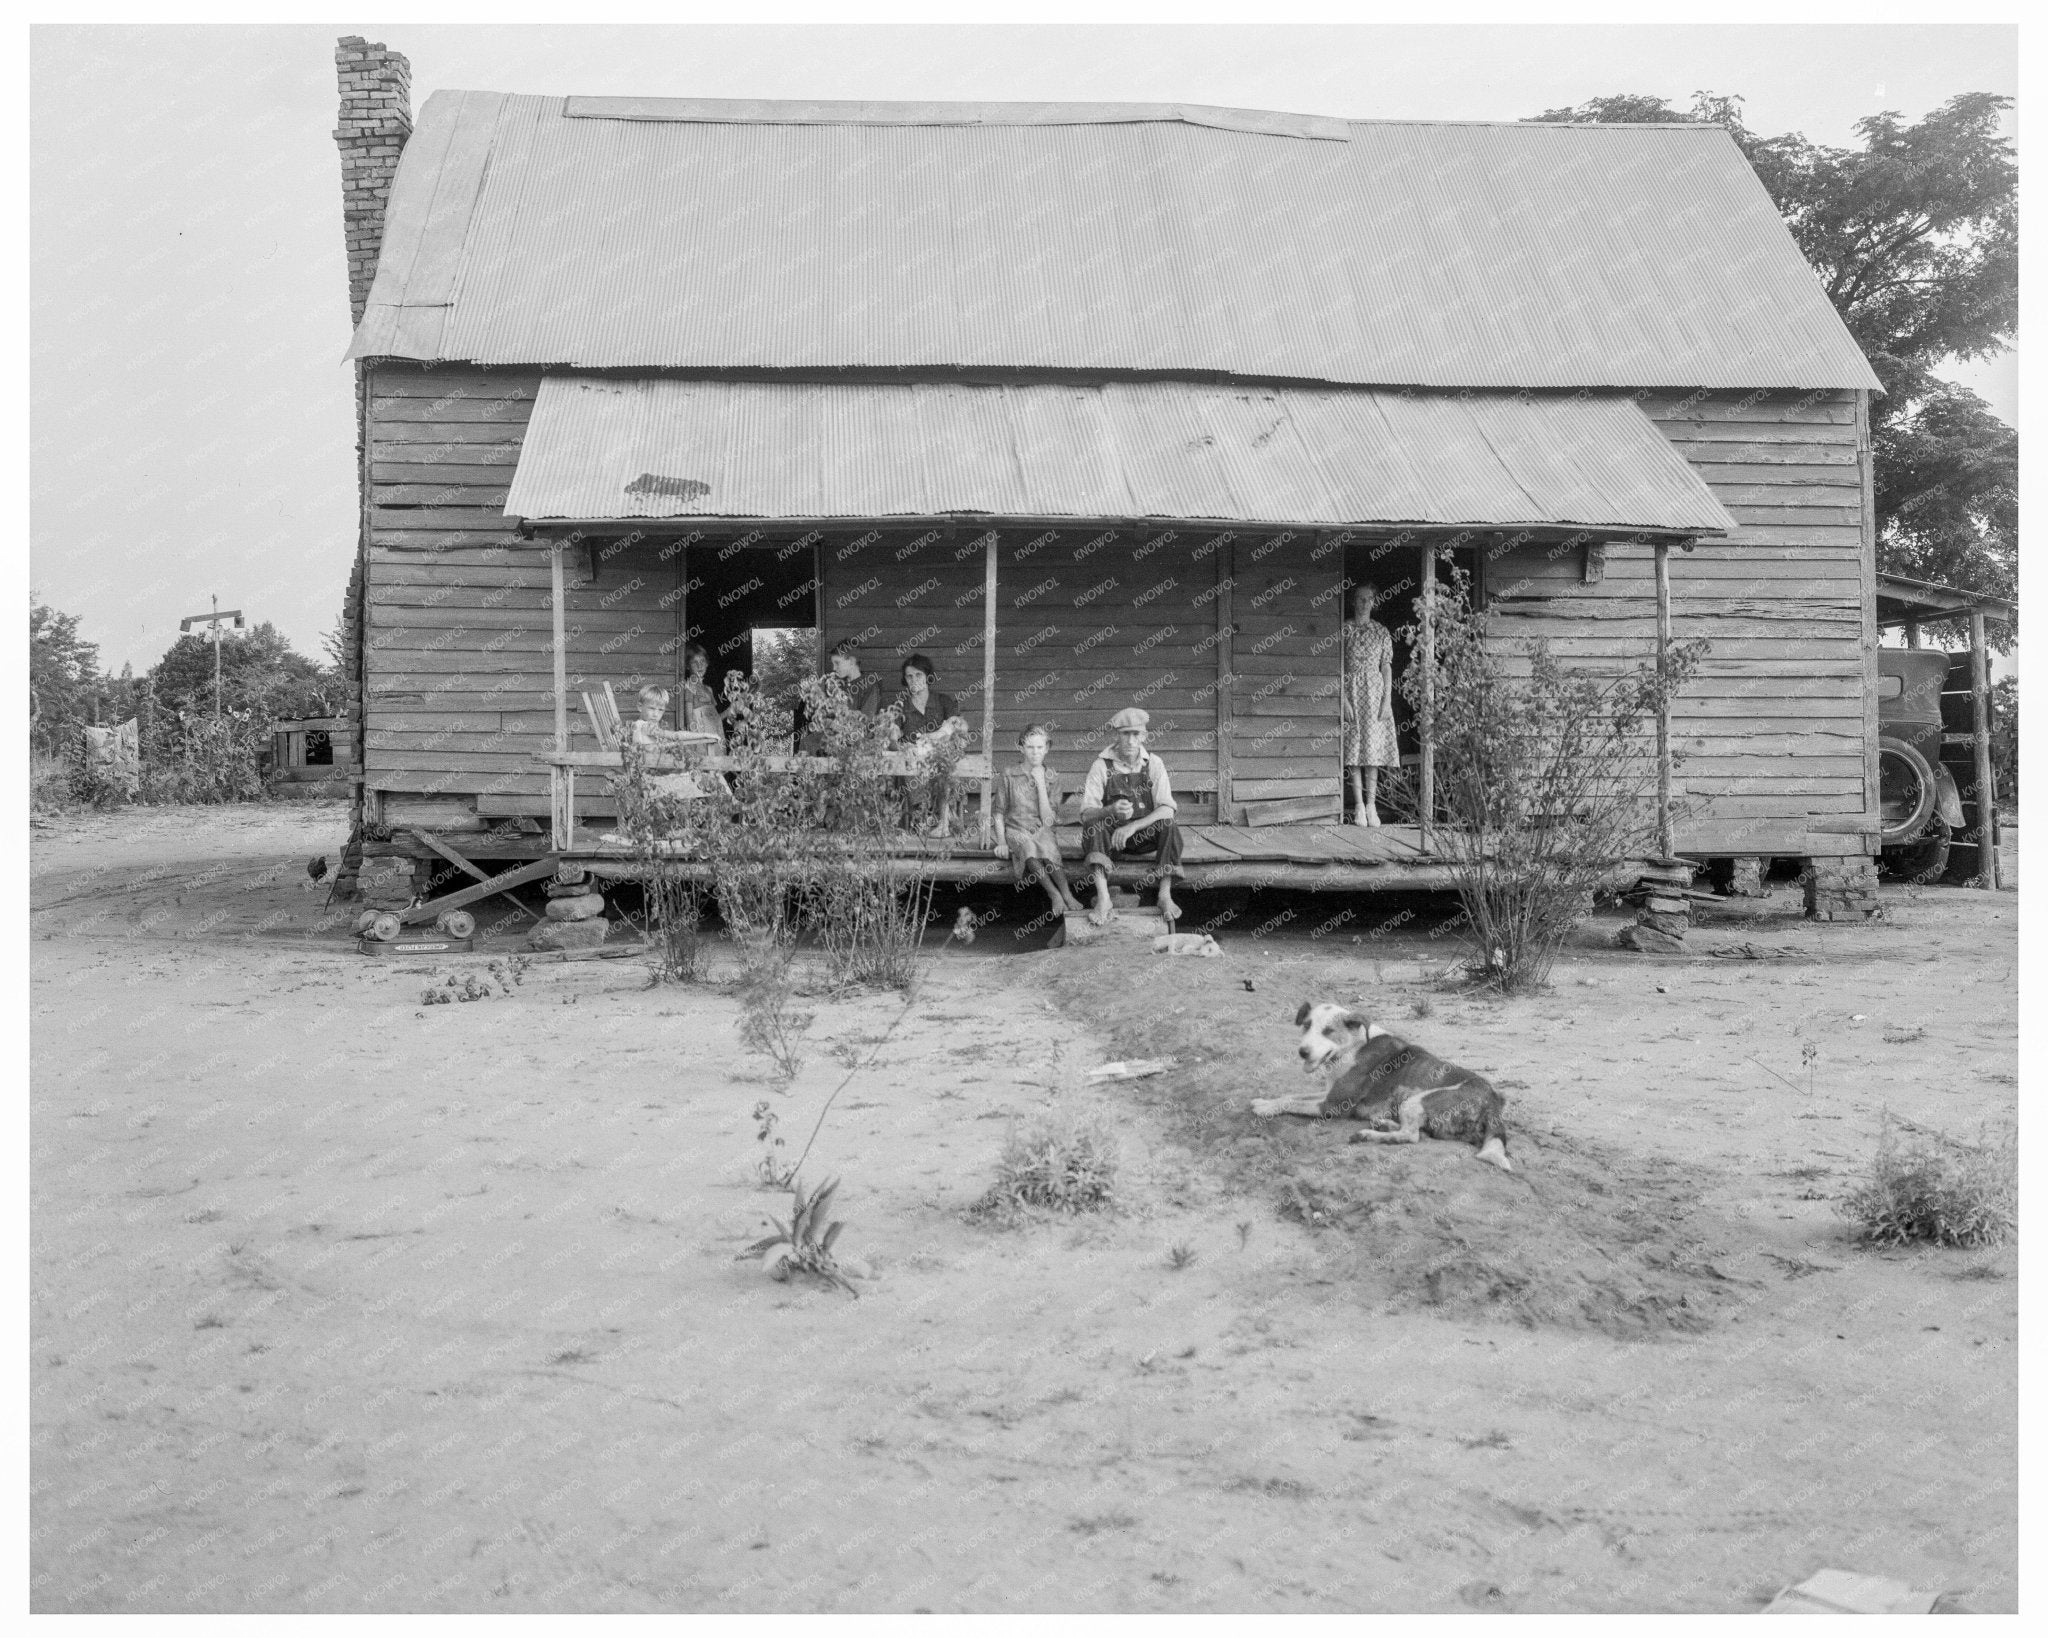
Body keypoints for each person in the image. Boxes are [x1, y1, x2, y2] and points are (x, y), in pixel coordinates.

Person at [1078, 706, 1186, 927]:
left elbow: (1167, 808)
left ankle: (1164, 895)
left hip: (1142, 836)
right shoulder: (1101, 765)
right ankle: (1104, 897)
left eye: (1135, 734)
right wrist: (1110, 811)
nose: (1130, 740)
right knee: (1093, 826)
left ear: (1144, 736)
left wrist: (1133, 826)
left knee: (1169, 826)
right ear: (1116, 736)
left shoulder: (1154, 764)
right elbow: (1086, 814)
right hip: (1111, 841)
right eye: (1125, 734)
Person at [992, 723, 1085, 917]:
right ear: (1021, 748)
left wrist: (1041, 783)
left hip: (1042, 827)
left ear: (1047, 748)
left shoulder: (1052, 777)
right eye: (1030, 747)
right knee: (1028, 847)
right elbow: (999, 812)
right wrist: (1001, 841)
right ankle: (1054, 894)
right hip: (1016, 829)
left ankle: (1066, 893)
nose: (1035, 752)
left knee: (1048, 847)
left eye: (1040, 747)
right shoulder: (1009, 774)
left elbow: (1049, 820)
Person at [889, 654, 968, 836]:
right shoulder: (900, 706)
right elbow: (893, 741)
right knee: (911, 760)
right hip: (915, 762)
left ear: (927, 676)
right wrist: (895, 739)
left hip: (941, 759)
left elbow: (959, 727)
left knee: (944, 761)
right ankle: (922, 817)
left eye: (918, 675)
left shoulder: (943, 701)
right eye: (909, 676)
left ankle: (943, 819)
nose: (914, 680)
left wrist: (936, 735)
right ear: (905, 679)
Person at [1341, 582, 1400, 826]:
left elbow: (1386, 666)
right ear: (1353, 601)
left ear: (1374, 602)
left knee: (1372, 751)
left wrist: (1387, 700)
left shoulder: (1381, 631)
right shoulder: (1344, 629)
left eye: (1369, 599)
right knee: (1355, 749)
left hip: (1375, 693)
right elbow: (1339, 665)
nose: (1365, 603)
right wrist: (1343, 700)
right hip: (1352, 691)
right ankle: (1357, 807)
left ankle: (1372, 805)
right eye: (1360, 599)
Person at [800, 639, 885, 753]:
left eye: (837, 663)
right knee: (807, 742)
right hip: (836, 736)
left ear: (850, 661)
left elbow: (865, 722)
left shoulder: (869, 687)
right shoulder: (839, 686)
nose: (834, 668)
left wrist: (839, 728)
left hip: (858, 740)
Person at [677, 643, 728, 765]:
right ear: (688, 666)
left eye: (702, 661)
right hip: (700, 738)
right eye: (695, 662)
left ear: (707, 663)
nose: (700, 665)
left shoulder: (708, 689)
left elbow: (716, 719)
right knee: (703, 767)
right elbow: (689, 718)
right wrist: (695, 740)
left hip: (715, 735)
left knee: (717, 770)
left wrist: (731, 710)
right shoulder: (689, 686)